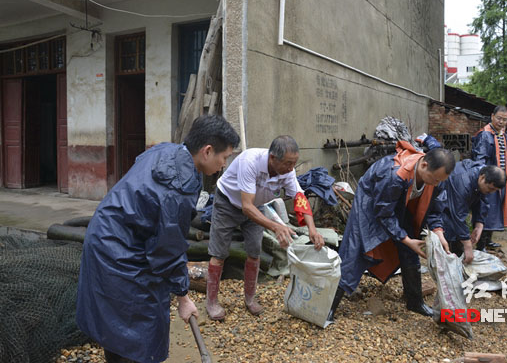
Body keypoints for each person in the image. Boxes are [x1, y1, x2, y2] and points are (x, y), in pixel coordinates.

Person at [76, 115, 240, 363]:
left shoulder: (169, 150)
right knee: (139, 327)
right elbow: (166, 251)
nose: (224, 164)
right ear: (207, 151)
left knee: (122, 324)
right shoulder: (176, 188)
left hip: (107, 234)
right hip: (118, 251)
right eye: (224, 157)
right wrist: (184, 297)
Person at [327, 142, 455, 321]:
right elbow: (383, 212)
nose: (436, 183)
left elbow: (435, 208)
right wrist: (404, 238)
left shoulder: (435, 179)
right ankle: (328, 306)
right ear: (424, 164)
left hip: (400, 204)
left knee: (411, 248)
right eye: (435, 179)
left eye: (440, 181)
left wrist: (439, 232)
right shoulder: (394, 175)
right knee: (356, 250)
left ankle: (414, 301)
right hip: (371, 203)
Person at [206, 135, 325, 320]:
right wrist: (276, 226)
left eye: (294, 163)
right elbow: (247, 206)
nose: (290, 169)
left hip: (256, 207)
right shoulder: (250, 161)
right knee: (219, 253)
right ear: (272, 158)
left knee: (254, 252)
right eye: (287, 163)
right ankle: (211, 302)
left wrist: (312, 229)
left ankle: (250, 299)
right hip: (228, 202)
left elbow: (300, 198)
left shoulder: (288, 171)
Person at [471, 106, 507, 251]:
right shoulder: (485, 135)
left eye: (504, 119)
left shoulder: (501, 135)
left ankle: (488, 240)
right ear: (492, 116)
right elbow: (480, 160)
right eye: (499, 118)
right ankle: (480, 245)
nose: (501, 122)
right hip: (488, 181)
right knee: (485, 211)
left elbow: (506, 157)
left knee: (495, 211)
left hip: (500, 181)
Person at [440, 160, 506, 264]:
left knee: (459, 238)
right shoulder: (463, 182)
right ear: (482, 177)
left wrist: (479, 224)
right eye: (490, 189)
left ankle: (458, 261)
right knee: (449, 235)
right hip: (443, 206)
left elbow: (483, 200)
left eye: (494, 190)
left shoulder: (483, 177)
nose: (490, 192)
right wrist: (467, 244)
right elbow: (458, 214)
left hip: (456, 207)